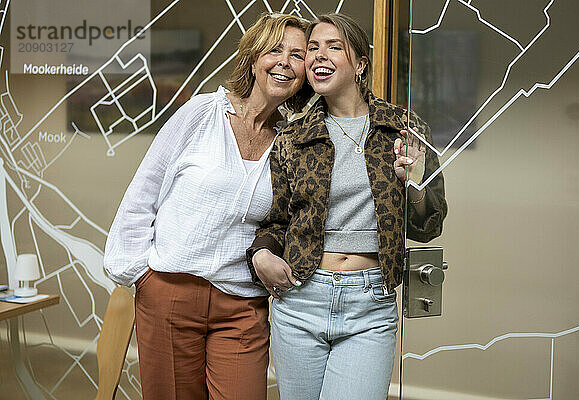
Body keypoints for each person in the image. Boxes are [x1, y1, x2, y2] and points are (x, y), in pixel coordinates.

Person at [104, 13, 312, 400]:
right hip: (170, 292)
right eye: (274, 50)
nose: (284, 61)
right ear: (253, 59)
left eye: (297, 54)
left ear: (305, 71)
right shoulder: (201, 113)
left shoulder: (291, 141)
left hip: (242, 306)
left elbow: (286, 220)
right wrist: (141, 277)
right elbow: (142, 193)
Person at [246, 13, 447, 400]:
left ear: (360, 64)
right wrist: (261, 254)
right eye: (312, 49)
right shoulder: (293, 136)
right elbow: (275, 220)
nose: (319, 56)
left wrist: (414, 183)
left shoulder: (403, 126)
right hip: (301, 298)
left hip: (370, 306)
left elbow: (428, 226)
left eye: (333, 47)